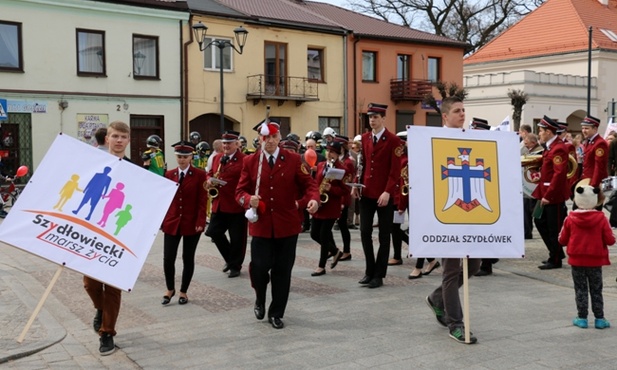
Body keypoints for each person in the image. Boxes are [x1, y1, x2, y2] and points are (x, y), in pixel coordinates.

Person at [236, 120, 319, 329]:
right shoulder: (250, 161)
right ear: (259, 139)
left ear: (279, 138)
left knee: (282, 272)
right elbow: (239, 192)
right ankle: (260, 298)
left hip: (287, 226)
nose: (270, 141)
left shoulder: (292, 160)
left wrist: (313, 199)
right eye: (266, 137)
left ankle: (276, 312)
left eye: (274, 137)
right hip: (262, 226)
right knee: (259, 269)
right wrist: (248, 200)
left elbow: (309, 184)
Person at [425, 97, 481, 344]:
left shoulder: (472, 138)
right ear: (445, 117)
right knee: (451, 270)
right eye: (457, 111)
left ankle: (437, 298)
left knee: (475, 265)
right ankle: (455, 323)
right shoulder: (434, 140)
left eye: (464, 110)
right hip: (447, 215)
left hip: (471, 213)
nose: (462, 114)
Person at [83, 120, 132, 355]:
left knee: (113, 288)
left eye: (123, 137)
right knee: (90, 283)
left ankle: (107, 334)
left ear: (128, 140)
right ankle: (100, 309)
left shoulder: (136, 172)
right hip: (93, 234)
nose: (119, 140)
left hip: (120, 237)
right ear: (107, 139)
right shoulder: (94, 165)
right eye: (115, 136)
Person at [350, 102, 403, 289]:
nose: (372, 120)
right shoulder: (364, 138)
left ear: (383, 118)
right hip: (366, 192)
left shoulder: (393, 140)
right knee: (365, 232)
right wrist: (356, 184)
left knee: (384, 235)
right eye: (370, 117)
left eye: (375, 117)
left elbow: (395, 171)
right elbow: (361, 164)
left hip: (384, 194)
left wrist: (388, 191)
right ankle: (369, 270)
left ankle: (379, 275)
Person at [558, 184, 615, 329]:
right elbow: (610, 240)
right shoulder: (601, 218)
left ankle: (582, 318)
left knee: (580, 289)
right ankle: (600, 319)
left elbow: (562, 239)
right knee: (596, 289)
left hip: (577, 260)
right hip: (596, 261)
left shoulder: (570, 219)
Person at [161, 141, 208, 306]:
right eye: (179, 157)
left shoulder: (200, 175)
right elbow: (164, 200)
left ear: (191, 157)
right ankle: (169, 289)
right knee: (168, 258)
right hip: (172, 221)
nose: (181, 160)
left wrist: (200, 221)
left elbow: (203, 201)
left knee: (188, 258)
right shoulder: (169, 174)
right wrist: (163, 220)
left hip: (191, 222)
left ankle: (183, 291)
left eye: (185, 157)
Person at [205, 130, 247, 278]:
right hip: (220, 203)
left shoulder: (244, 159)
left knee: (237, 239)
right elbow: (209, 173)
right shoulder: (217, 158)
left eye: (229, 143)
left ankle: (235, 266)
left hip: (236, 204)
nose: (226, 146)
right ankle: (230, 259)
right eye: (224, 143)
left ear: (237, 144)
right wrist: (210, 179)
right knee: (213, 232)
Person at [533, 116, 569, 270]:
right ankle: (556, 252)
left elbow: (559, 174)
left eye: (541, 131)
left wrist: (548, 195)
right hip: (543, 191)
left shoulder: (558, 148)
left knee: (553, 228)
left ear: (548, 132)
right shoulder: (549, 147)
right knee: (539, 220)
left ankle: (555, 259)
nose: (539, 133)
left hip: (552, 195)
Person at [310, 141, 350, 276]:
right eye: (328, 151)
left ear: (338, 154)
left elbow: (345, 190)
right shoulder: (321, 165)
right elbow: (316, 183)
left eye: (332, 152)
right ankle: (335, 251)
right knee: (313, 233)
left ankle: (321, 266)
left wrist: (331, 188)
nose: (329, 154)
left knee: (324, 235)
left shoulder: (341, 168)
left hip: (332, 206)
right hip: (320, 205)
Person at [470, 118, 499, 276]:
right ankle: (487, 259)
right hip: (476, 193)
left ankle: (487, 264)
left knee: (486, 230)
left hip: (487, 194)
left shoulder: (489, 148)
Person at [578, 115, 608, 205]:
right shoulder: (589, 141)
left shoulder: (600, 143)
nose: (583, 131)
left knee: (593, 214)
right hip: (586, 181)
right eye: (583, 128)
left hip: (593, 184)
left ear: (595, 129)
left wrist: (592, 186)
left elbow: (599, 166)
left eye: (586, 128)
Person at [522, 133, 543, 240]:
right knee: (525, 213)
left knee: (536, 214)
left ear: (533, 143)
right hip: (525, 188)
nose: (524, 142)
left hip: (535, 187)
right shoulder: (524, 151)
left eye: (527, 141)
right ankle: (527, 233)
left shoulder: (541, 152)